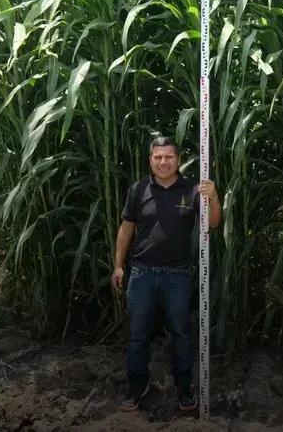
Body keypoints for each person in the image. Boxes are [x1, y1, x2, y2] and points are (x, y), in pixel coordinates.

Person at [111, 136, 221, 413]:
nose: (163, 162)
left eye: (168, 157)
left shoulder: (193, 190)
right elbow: (126, 229)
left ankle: (184, 389)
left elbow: (212, 224)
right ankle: (137, 388)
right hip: (142, 274)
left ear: (178, 159)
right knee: (137, 336)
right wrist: (118, 265)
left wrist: (214, 197)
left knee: (180, 335)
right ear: (150, 160)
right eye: (157, 157)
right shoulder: (138, 190)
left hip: (178, 276)